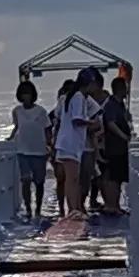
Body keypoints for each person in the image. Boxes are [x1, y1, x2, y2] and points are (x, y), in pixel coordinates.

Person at [94, 59, 133, 215]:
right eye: (124, 88)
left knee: (117, 177)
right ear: (119, 89)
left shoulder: (119, 105)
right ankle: (112, 205)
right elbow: (110, 123)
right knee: (113, 178)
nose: (127, 91)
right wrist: (124, 136)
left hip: (120, 147)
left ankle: (115, 205)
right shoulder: (111, 105)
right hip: (114, 146)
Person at [51, 75, 94, 216]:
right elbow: (77, 120)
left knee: (73, 178)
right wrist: (91, 123)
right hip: (70, 144)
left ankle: (74, 208)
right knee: (72, 178)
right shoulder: (78, 97)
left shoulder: (72, 97)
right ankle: (73, 209)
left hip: (70, 143)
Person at [10, 72, 50, 220]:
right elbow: (17, 127)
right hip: (23, 149)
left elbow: (47, 129)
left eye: (28, 93)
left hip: (39, 150)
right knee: (25, 180)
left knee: (39, 182)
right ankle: (28, 208)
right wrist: (10, 138)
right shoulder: (17, 111)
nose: (26, 96)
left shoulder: (41, 112)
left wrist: (49, 145)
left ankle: (38, 208)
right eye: (23, 94)